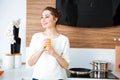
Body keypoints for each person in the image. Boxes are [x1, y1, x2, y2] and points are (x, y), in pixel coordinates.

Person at [27, 6, 70, 80]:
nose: (43, 20)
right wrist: (41, 49)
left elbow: (66, 66)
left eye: (47, 17)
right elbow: (30, 63)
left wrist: (54, 53)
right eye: (41, 17)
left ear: (55, 19)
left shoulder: (64, 39)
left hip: (58, 78)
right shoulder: (36, 37)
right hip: (38, 78)